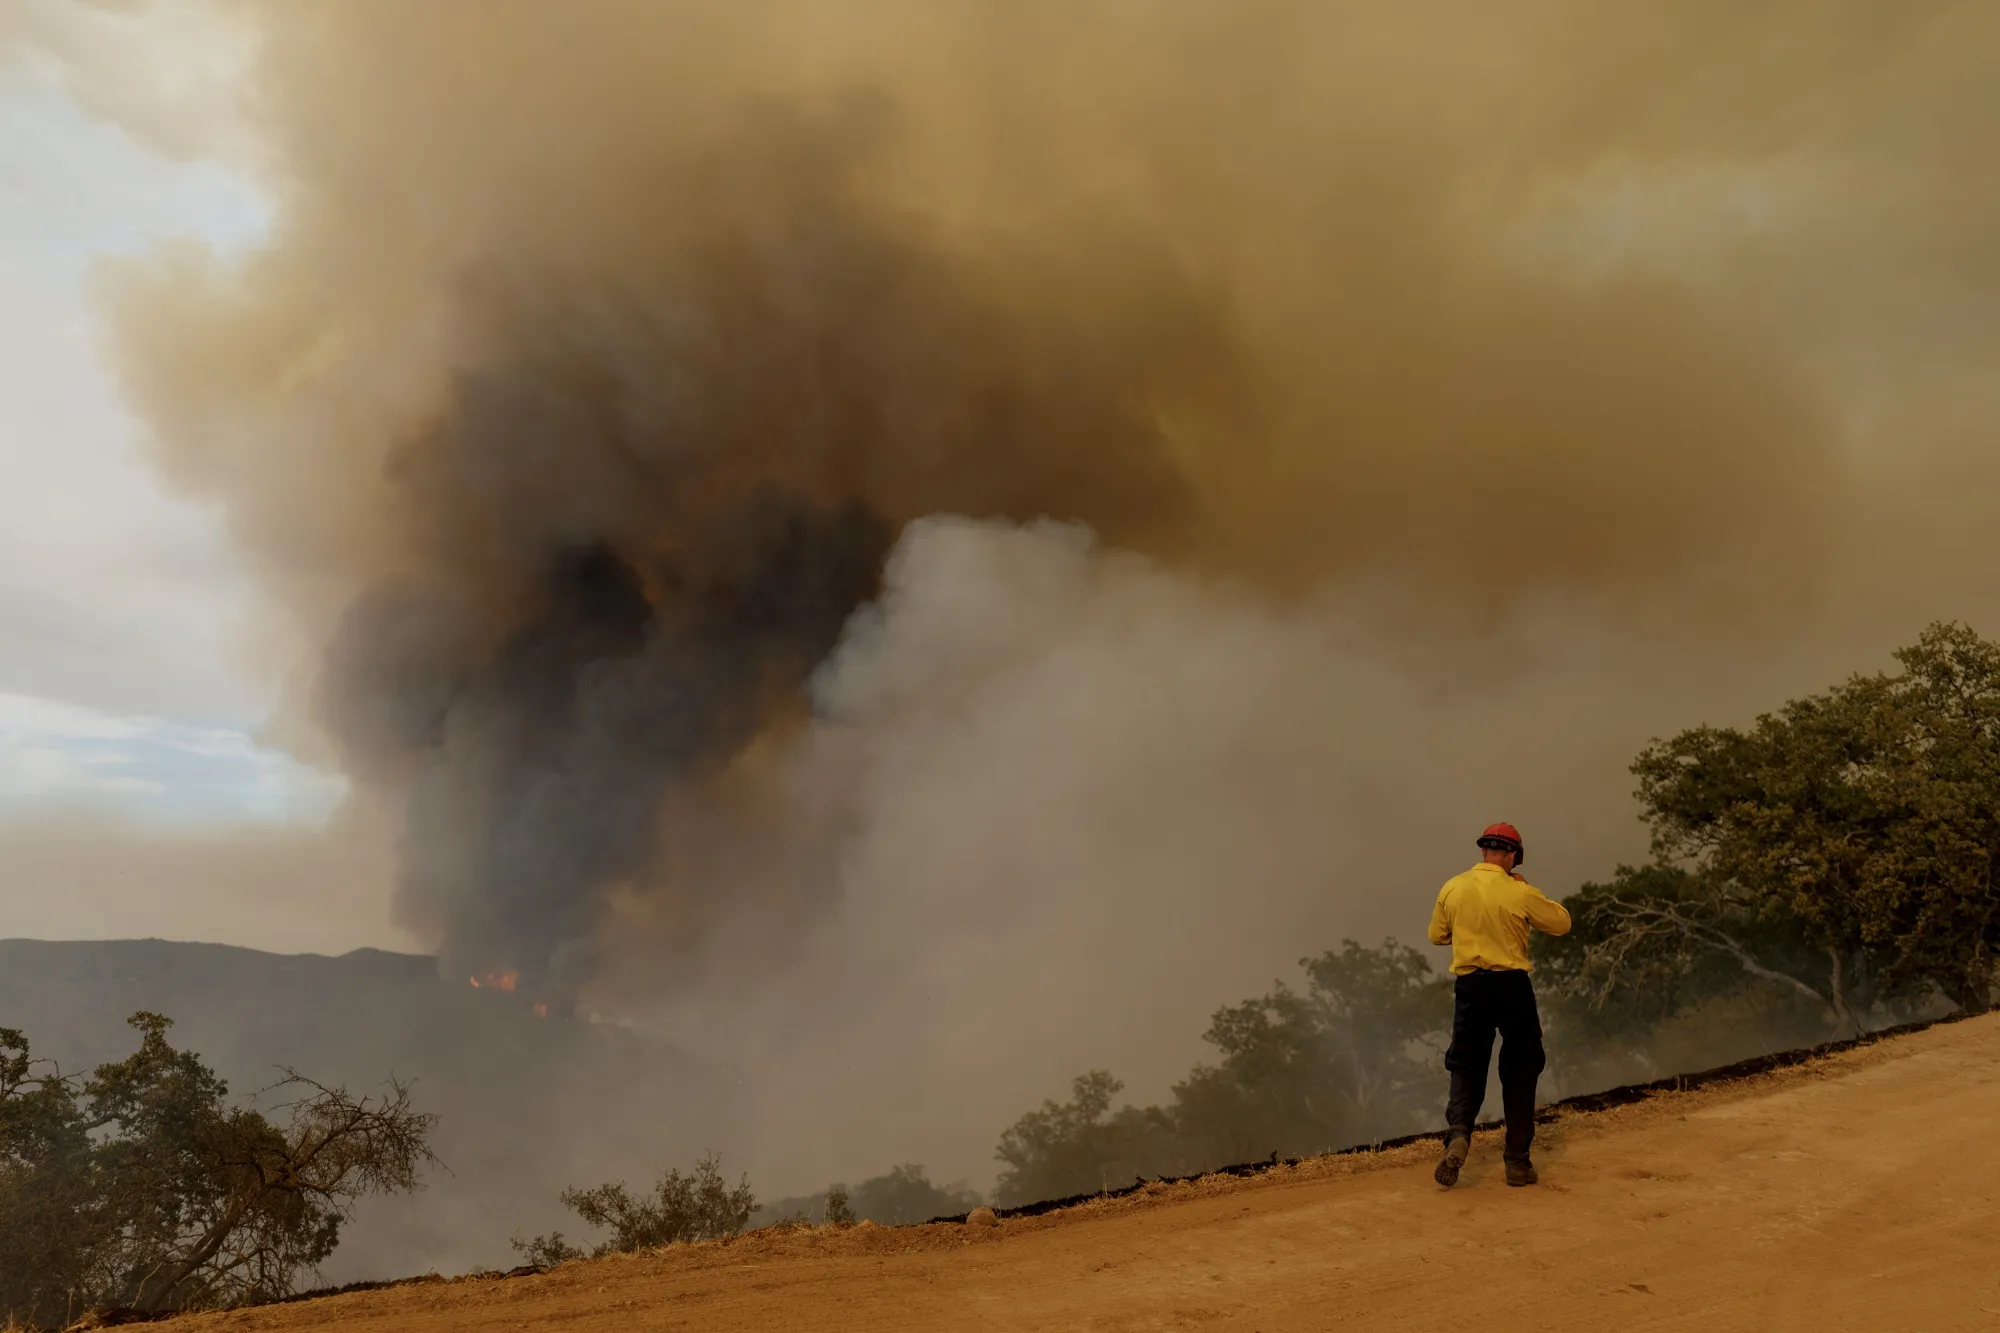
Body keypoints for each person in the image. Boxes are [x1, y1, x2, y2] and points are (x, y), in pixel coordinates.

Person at [1426, 822, 1571, 1188]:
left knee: (1466, 1064)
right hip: (1511, 986)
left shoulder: (1453, 887)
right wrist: (1522, 891)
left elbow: (1437, 935)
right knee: (1522, 1067)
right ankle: (1517, 1163)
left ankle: (1458, 1134)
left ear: (1482, 853)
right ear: (1512, 856)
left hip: (1470, 986)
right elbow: (1561, 923)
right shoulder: (1518, 891)